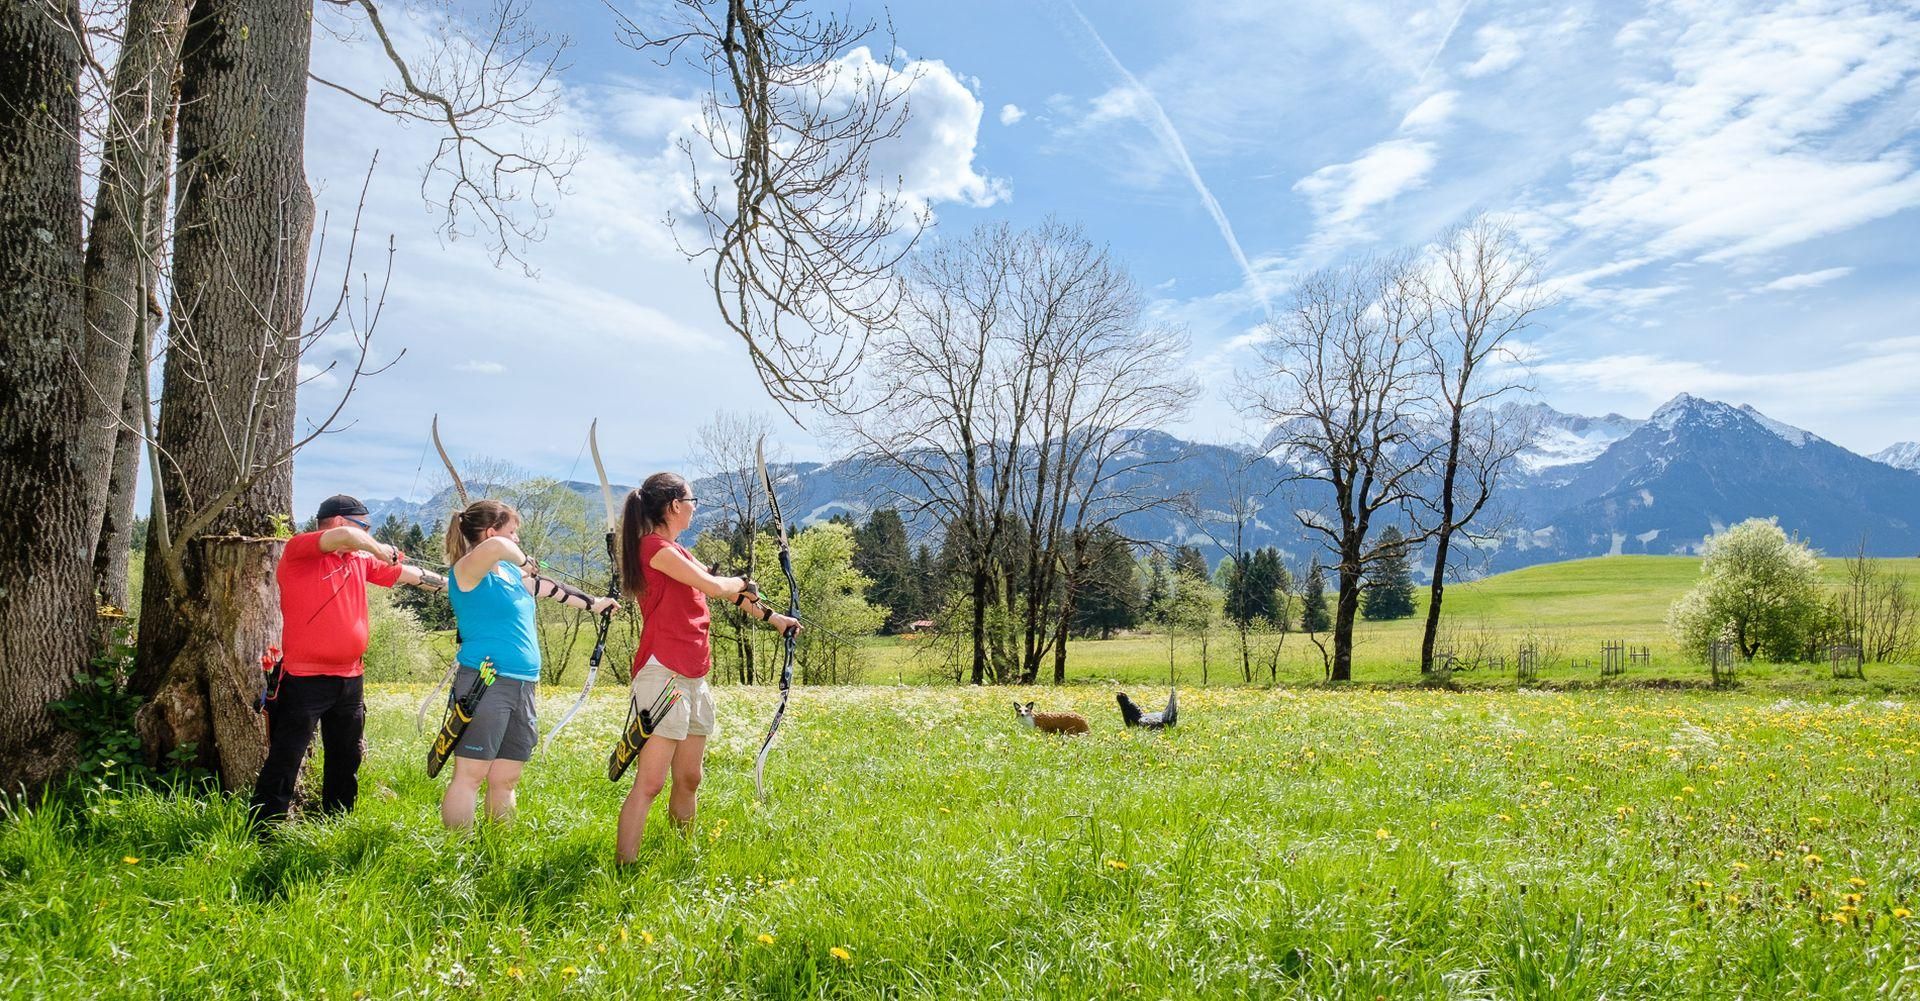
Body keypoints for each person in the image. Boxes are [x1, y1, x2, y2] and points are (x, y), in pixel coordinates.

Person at [614, 473, 798, 863]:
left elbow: (723, 591)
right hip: (663, 671)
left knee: (690, 778)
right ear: (674, 506)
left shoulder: (679, 553)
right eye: (692, 500)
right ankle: (624, 866)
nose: (695, 507)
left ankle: (681, 856)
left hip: (694, 674)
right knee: (650, 782)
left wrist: (775, 618)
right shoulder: (654, 549)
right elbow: (717, 587)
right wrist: (739, 581)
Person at [251, 494, 447, 826]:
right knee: (286, 758)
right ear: (342, 522)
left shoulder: (357, 559)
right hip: (304, 679)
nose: (368, 533)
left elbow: (408, 574)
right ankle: (263, 831)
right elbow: (347, 538)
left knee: (346, 757)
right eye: (365, 527)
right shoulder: (300, 549)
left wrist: (454, 584)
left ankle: (337, 823)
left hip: (350, 679)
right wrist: (376, 546)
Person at [441, 498, 618, 828]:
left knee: (506, 778)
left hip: (523, 683)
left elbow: (550, 588)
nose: (517, 539)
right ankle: (456, 856)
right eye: (513, 532)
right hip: (484, 681)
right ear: (493, 531)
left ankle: (499, 848)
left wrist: (596, 604)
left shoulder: (509, 571)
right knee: (471, 775)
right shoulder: (467, 570)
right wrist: (524, 559)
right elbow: (496, 547)